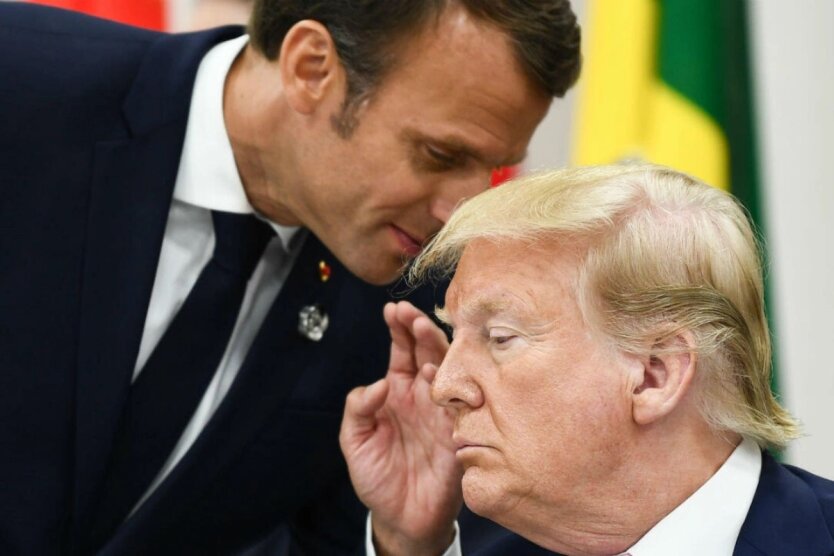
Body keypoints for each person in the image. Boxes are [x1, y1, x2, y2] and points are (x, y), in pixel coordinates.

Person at [0, 1, 580, 554]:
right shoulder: (21, 86)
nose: (461, 212)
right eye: (439, 155)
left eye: (492, 167)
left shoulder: (430, 304)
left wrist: (404, 544)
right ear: (311, 69)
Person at [341, 165, 834, 555]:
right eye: (455, 332)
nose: (444, 385)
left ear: (653, 374)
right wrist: (411, 546)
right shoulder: (472, 544)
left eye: (500, 337)